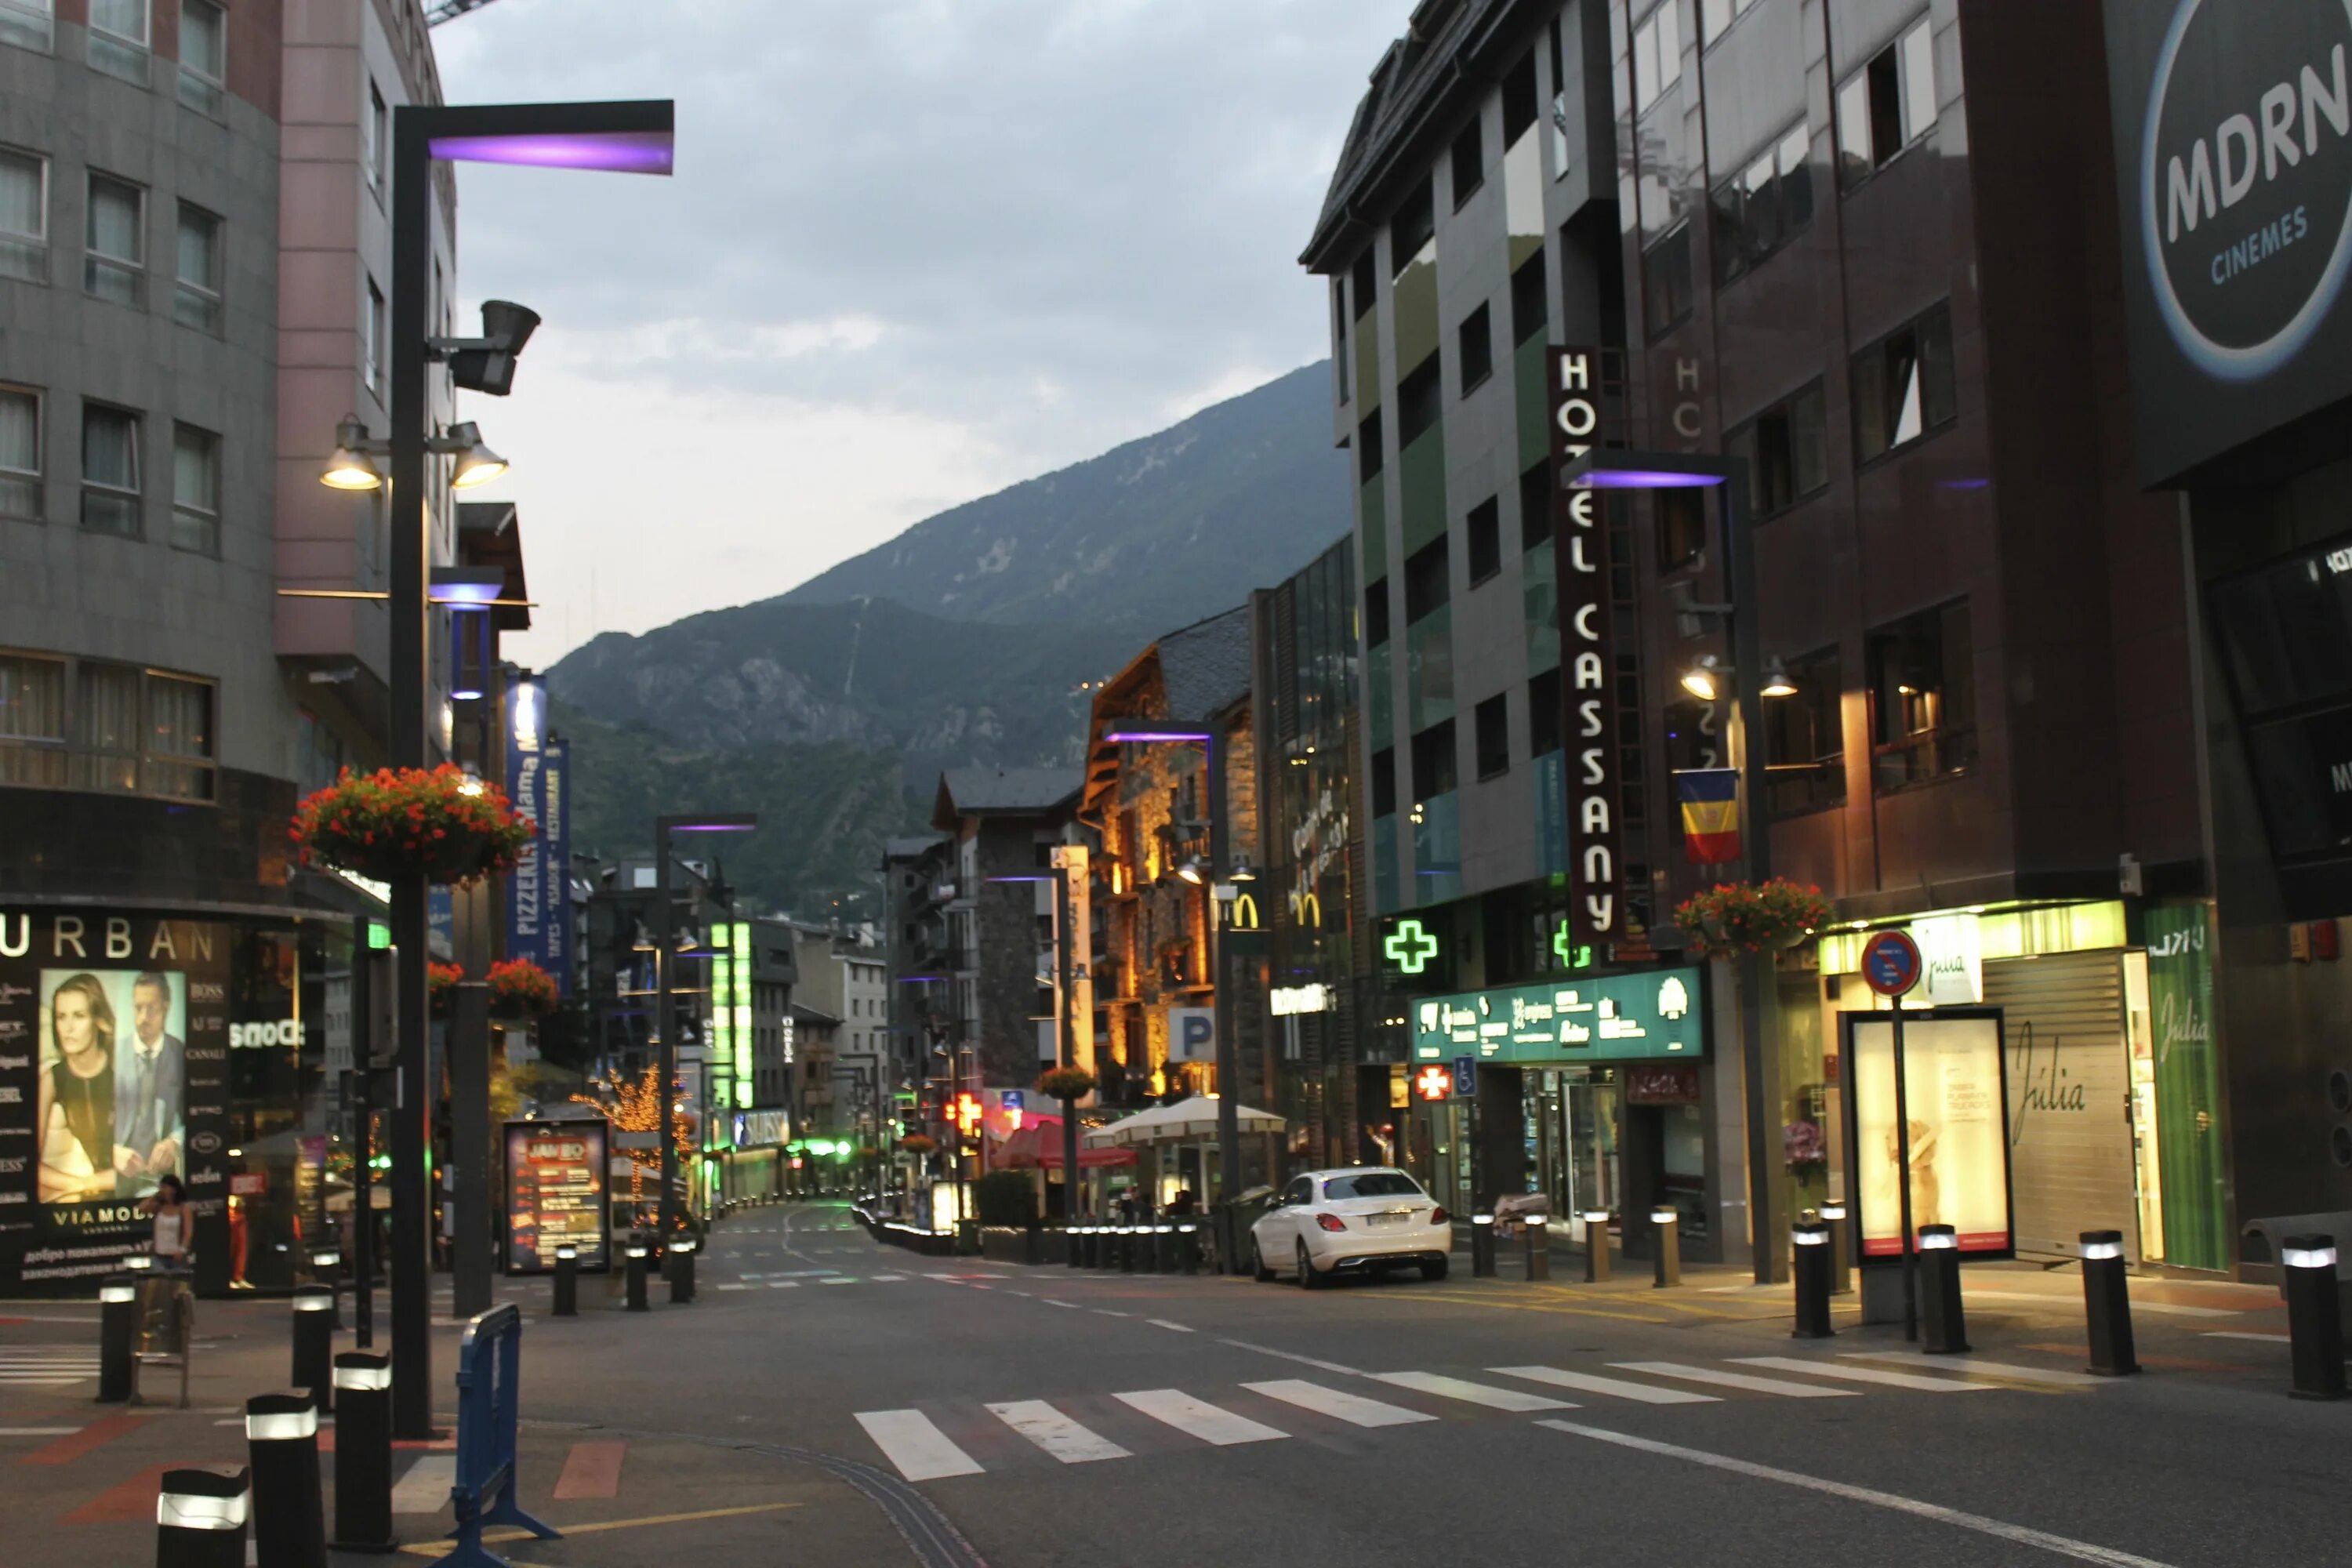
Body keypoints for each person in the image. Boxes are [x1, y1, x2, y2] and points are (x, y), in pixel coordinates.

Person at [40, 973, 118, 1203]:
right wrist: (80, 1184)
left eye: (79, 1016)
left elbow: (146, 1168)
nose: (68, 1028)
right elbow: (25, 1162)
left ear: (98, 1020)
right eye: (61, 1017)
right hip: (87, 1193)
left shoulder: (124, 1068)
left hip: (136, 1196)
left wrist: (87, 1184)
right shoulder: (52, 1077)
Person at [114, 971, 186, 1196]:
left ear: (166, 1007)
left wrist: (174, 1142)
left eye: (151, 1009)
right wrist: (113, 1151)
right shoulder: (113, 1052)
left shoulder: (182, 1054)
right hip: (115, 1178)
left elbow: (198, 1114)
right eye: (138, 1008)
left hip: (162, 1181)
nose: (143, 1018)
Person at [140, 1173, 194, 1272]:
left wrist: (182, 1249)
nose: (162, 1190)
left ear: (174, 1189)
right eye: (161, 1187)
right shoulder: (159, 1207)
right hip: (159, 1256)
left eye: (165, 1187)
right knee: (159, 1284)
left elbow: (188, 1232)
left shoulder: (184, 1208)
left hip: (177, 1257)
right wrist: (155, 1196)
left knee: (177, 1285)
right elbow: (142, 1208)